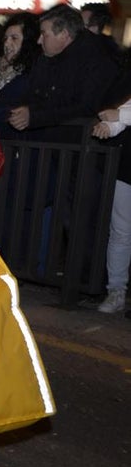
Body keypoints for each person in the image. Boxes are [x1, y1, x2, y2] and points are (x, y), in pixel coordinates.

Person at [7, 4, 119, 144]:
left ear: (64, 35)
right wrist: (26, 112)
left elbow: (85, 107)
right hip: (49, 143)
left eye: (44, 34)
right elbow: (36, 94)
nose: (39, 41)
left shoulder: (96, 59)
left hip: (76, 147)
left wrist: (34, 116)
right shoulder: (48, 56)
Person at [90, 67, 131, 314]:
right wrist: (109, 125)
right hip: (127, 167)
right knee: (120, 231)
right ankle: (116, 290)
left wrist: (118, 116)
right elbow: (122, 115)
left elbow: (122, 113)